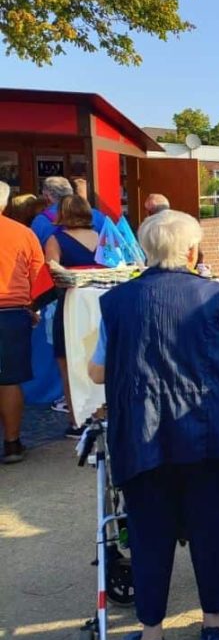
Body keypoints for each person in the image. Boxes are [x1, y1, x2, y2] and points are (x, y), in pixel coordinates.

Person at [86, 209, 219, 640]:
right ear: (191, 250)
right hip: (208, 432)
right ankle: (214, 627)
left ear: (145, 250)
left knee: (149, 533)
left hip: (142, 436)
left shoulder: (116, 302)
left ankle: (151, 639)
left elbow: (98, 371)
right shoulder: (215, 295)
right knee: (214, 525)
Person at [43, 195, 100, 438]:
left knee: (68, 364)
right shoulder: (102, 237)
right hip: (100, 307)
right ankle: (102, 415)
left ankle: (78, 421)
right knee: (98, 359)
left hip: (70, 308)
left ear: (63, 213)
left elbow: (52, 275)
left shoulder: (55, 240)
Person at [0, 182, 44, 463]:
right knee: (9, 380)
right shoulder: (22, 233)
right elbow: (38, 275)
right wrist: (33, 306)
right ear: (5, 203)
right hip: (12, 312)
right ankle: (12, 443)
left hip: (12, 311)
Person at [30, 176, 104, 245]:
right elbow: (108, 246)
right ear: (71, 192)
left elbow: (34, 250)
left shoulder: (40, 221)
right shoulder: (97, 215)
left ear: (47, 197)